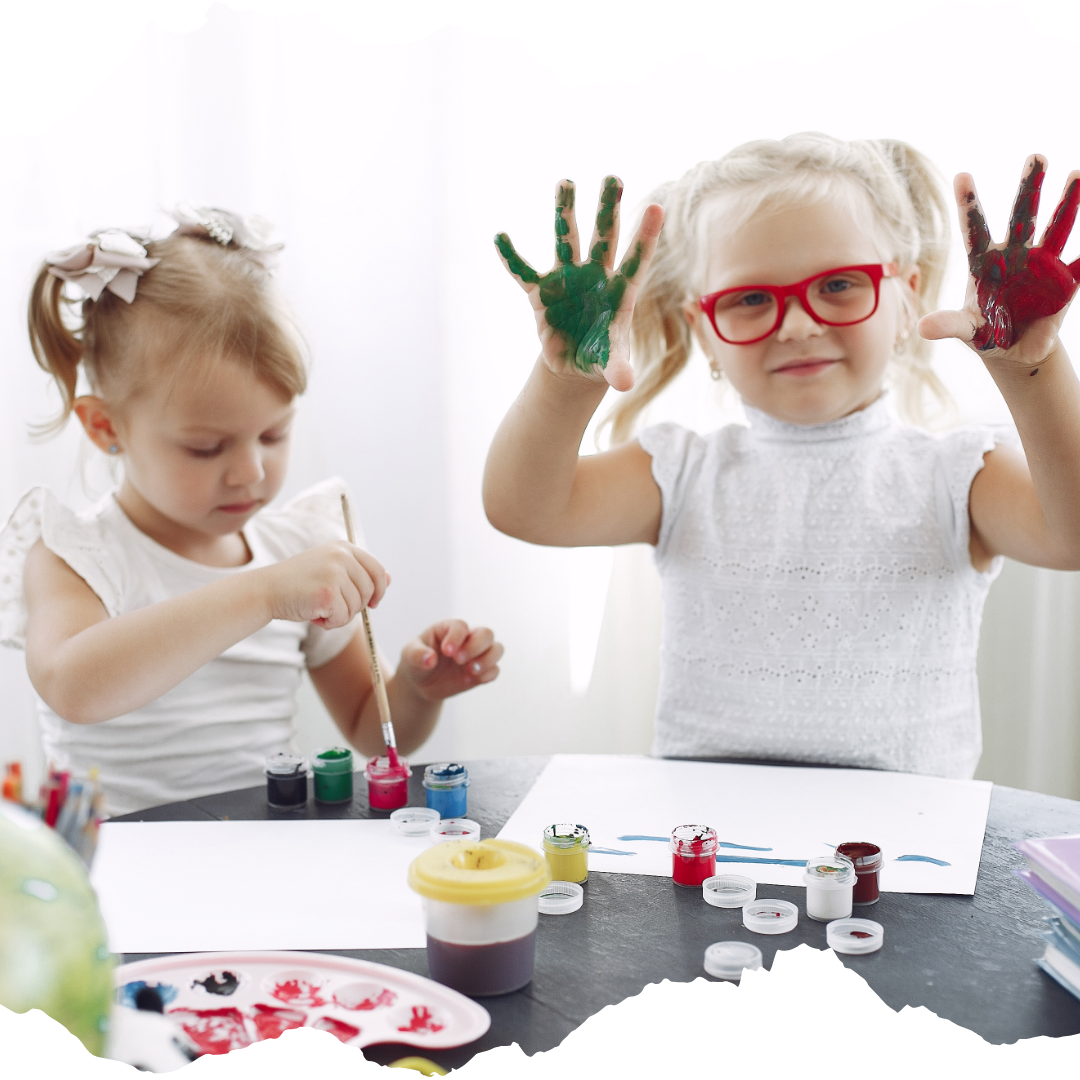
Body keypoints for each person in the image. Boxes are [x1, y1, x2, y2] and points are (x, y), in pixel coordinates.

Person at [483, 133, 1080, 779]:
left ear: (905, 298)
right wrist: (567, 378)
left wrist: (1032, 370)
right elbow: (525, 510)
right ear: (705, 331)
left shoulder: (956, 475)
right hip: (709, 849)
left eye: (839, 285)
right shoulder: (679, 471)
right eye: (750, 299)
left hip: (904, 848)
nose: (797, 324)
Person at [0, 207, 502, 816]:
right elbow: (71, 685)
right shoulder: (77, 555)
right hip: (123, 874)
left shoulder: (295, 550)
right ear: (106, 426)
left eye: (273, 435)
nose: (252, 472)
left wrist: (419, 690)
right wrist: (261, 594)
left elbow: (370, 730)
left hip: (263, 854)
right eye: (206, 447)